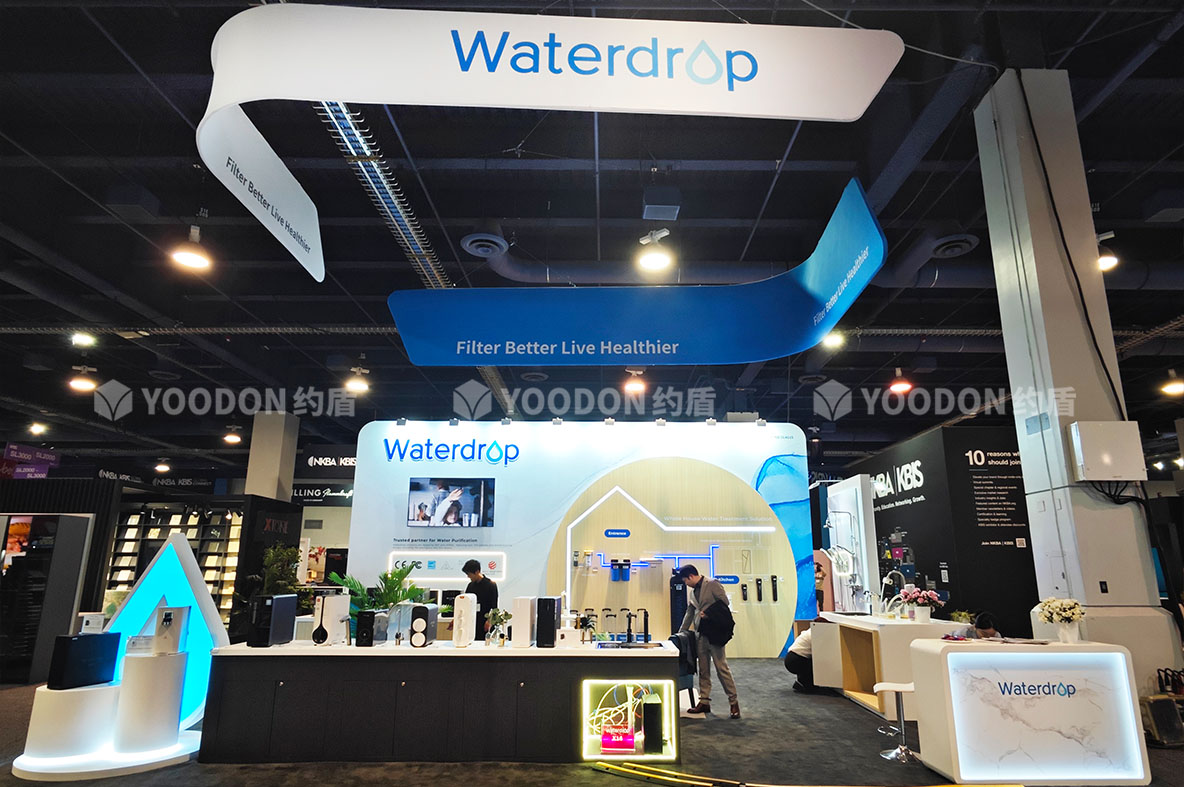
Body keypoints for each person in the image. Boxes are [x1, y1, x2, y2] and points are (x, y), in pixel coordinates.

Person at [677, 564, 740, 719]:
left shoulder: (712, 584)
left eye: (685, 581)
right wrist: (680, 633)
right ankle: (704, 701)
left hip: (715, 633)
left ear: (691, 576)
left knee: (721, 668)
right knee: (703, 669)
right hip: (700, 635)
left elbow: (724, 603)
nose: (686, 584)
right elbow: (689, 612)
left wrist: (710, 614)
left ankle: (733, 702)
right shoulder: (692, 593)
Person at [784, 619, 826, 692]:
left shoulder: (809, 632)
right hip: (797, 659)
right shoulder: (815, 635)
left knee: (809, 662)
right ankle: (805, 685)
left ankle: (802, 683)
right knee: (817, 664)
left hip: (791, 658)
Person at [463, 558, 498, 642]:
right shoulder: (470, 586)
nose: (468, 576)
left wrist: (489, 621)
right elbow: (466, 603)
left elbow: (494, 607)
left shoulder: (491, 585)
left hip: (486, 622)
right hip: (473, 621)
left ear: (477, 572)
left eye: (469, 574)